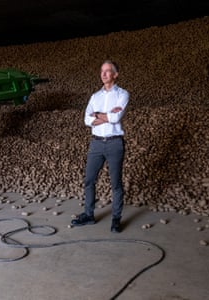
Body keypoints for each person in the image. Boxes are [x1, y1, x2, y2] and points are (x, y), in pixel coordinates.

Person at [71, 60, 129, 233]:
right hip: (96, 143)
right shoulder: (94, 97)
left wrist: (97, 115)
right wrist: (104, 115)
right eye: (102, 71)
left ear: (115, 75)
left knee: (116, 183)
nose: (103, 74)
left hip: (114, 143)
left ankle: (116, 219)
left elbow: (115, 119)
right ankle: (89, 215)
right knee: (89, 180)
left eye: (108, 71)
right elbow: (86, 120)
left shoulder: (122, 94)